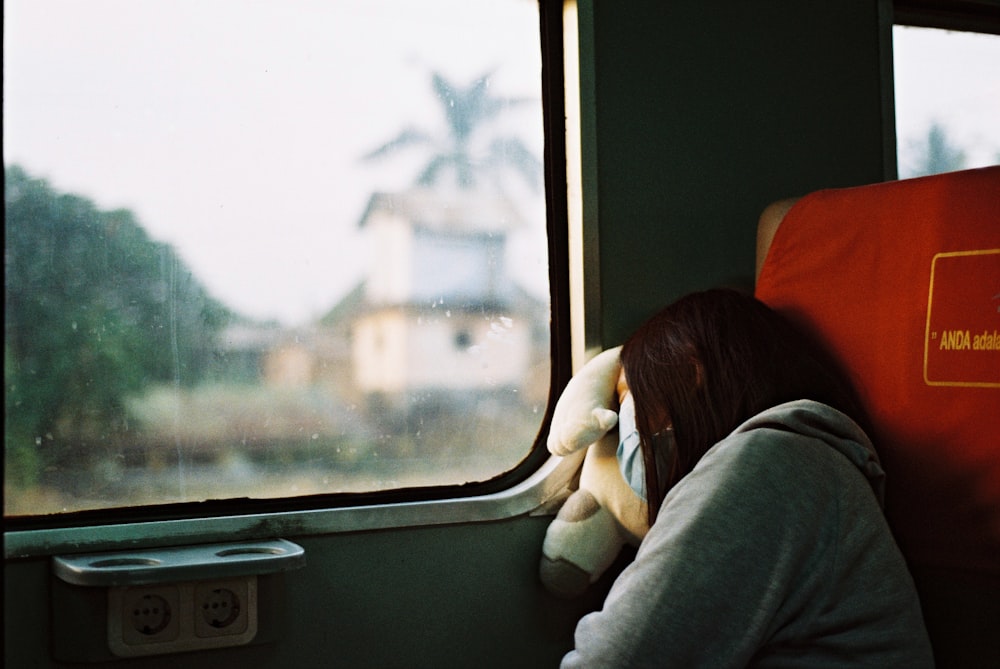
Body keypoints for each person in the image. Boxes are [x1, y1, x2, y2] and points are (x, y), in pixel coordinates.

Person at [562, 288, 934, 668]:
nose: (626, 425)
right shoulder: (798, 465)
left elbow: (614, 660)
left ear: (691, 372)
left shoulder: (769, 465)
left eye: (629, 399)